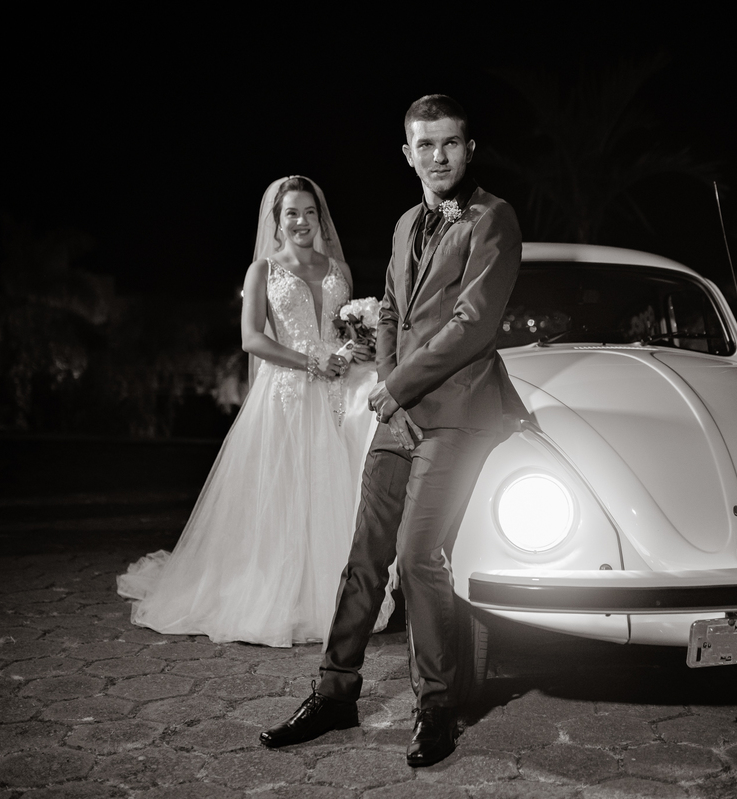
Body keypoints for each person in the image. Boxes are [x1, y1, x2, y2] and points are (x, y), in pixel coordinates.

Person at [261, 96, 525, 768]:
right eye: (424, 145)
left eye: (450, 143)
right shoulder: (407, 222)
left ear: (469, 148)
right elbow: (389, 312)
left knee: (416, 555)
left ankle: (436, 706)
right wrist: (388, 383)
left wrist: (397, 384)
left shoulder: (493, 218)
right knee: (364, 555)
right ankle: (334, 693)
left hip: (459, 412)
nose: (438, 156)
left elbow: (473, 324)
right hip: (399, 413)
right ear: (407, 154)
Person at [117, 176, 392, 648]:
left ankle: (337, 593)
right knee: (286, 490)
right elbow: (252, 339)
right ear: (277, 221)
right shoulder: (263, 270)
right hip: (287, 390)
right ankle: (278, 594)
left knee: (333, 487)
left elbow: (339, 330)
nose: (302, 221)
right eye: (292, 213)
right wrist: (310, 361)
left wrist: (356, 348)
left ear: (320, 217)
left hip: (336, 391)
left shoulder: (339, 268)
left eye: (309, 212)